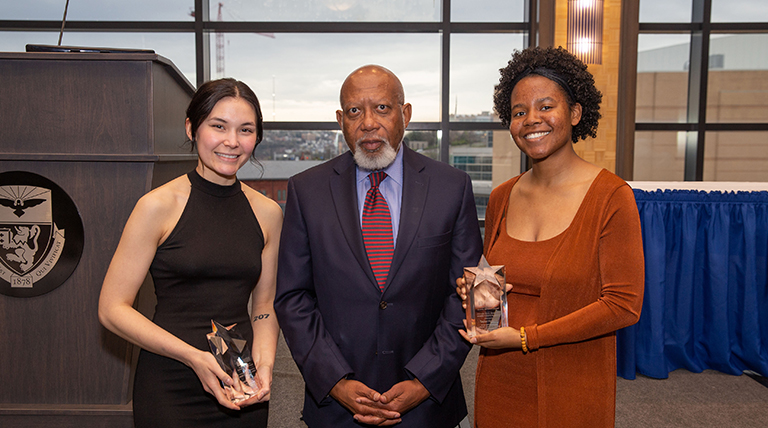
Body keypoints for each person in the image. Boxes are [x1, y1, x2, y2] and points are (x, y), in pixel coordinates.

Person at [274, 65, 483, 427]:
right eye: (355, 111)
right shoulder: (306, 190)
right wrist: (335, 380)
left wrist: (424, 380)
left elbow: (464, 294)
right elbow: (293, 298)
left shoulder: (452, 187)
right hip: (336, 407)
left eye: (382, 108)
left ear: (406, 114)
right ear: (341, 119)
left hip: (428, 405)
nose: (368, 122)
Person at [457, 46, 645, 427]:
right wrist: (478, 290)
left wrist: (528, 337)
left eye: (546, 106)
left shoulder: (611, 197)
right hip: (501, 376)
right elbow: (495, 279)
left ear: (575, 113)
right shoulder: (502, 196)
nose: (531, 120)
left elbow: (623, 305)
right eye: (519, 112)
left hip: (572, 379)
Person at [98, 78, 282, 427]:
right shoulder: (157, 206)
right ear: (191, 127)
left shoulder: (268, 212)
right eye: (218, 126)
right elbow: (111, 309)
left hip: (240, 381)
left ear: (256, 137)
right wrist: (193, 356)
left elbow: (264, 307)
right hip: (171, 380)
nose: (232, 141)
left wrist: (266, 364)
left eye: (245, 130)